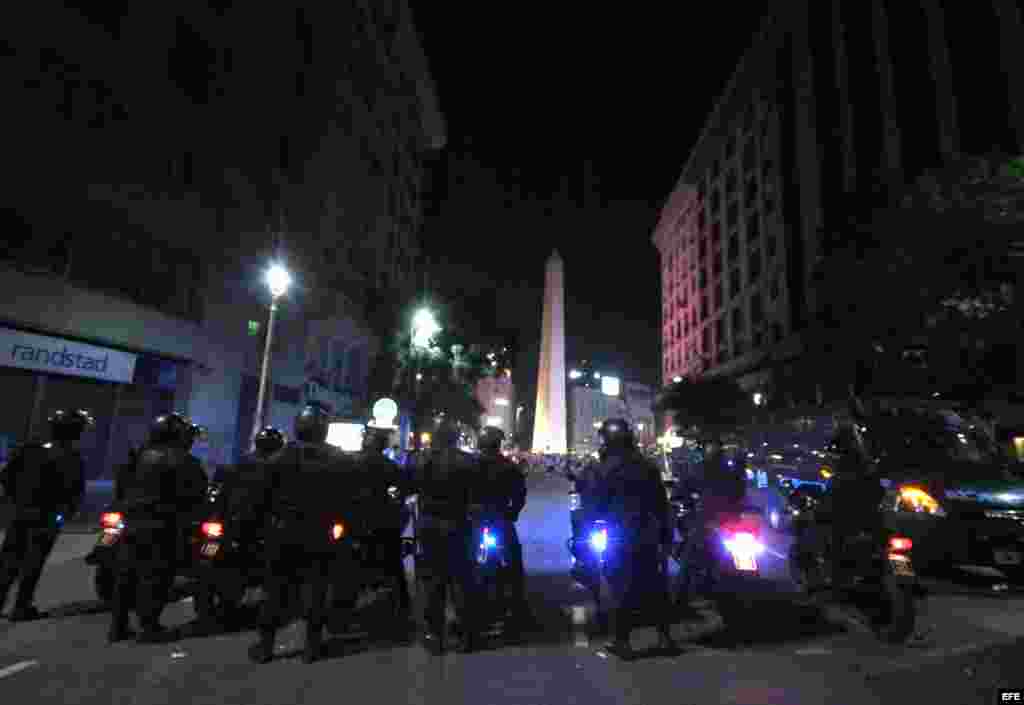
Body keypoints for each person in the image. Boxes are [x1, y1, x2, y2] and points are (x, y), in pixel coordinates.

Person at [248, 404, 365, 664]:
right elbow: (352, 500)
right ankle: (311, 647)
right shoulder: (340, 459)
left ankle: (266, 646)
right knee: (317, 590)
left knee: (275, 591)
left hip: (284, 533)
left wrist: (264, 527)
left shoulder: (279, 458)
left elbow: (260, 499)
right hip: (320, 533)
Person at [109, 412, 208, 642]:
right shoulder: (185, 461)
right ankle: (149, 626)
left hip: (131, 524)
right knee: (156, 578)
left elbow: (120, 488)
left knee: (126, 576)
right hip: (163, 527)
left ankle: (118, 626)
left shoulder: (136, 456)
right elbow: (197, 496)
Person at [588, 418, 675, 659]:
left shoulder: (602, 469)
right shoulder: (647, 466)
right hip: (647, 532)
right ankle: (665, 637)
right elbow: (661, 503)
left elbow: (594, 503)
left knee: (620, 587)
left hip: (619, 534)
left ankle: (622, 641)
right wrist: (665, 536)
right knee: (655, 584)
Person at [0, 409, 93, 621]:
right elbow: (75, 493)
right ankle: (21, 607)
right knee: (33, 563)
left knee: (8, 560)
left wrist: (15, 502)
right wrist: (64, 514)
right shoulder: (72, 457)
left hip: (21, 514)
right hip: (46, 518)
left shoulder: (30, 449)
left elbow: (6, 477)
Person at [409, 419, 479, 654]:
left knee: (432, 580)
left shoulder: (420, 459)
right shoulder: (468, 462)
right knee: (460, 579)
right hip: (459, 525)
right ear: (455, 437)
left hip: (429, 526)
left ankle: (434, 635)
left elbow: (408, 486)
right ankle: (464, 634)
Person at [476, 426, 529, 642]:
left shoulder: (470, 465)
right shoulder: (509, 467)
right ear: (498, 444)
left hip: (476, 521)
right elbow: (520, 495)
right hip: (501, 519)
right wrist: (512, 513)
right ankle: (517, 610)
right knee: (514, 563)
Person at [359, 425, 411, 616]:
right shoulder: (388, 465)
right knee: (394, 559)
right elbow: (404, 488)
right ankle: (403, 605)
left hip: (354, 518)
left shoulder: (349, 461)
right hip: (379, 519)